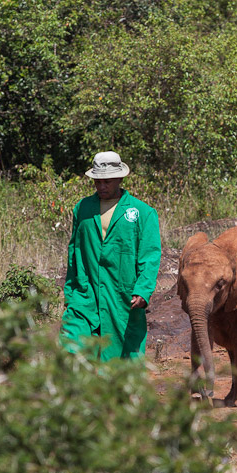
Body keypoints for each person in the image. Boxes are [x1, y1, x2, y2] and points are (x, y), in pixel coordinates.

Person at [60, 151, 162, 361]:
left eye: (107, 181)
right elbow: (74, 252)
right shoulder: (83, 208)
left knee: (122, 357)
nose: (101, 186)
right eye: (98, 181)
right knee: (72, 347)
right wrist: (71, 290)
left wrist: (143, 290)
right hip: (85, 293)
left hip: (122, 296)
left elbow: (150, 255)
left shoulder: (142, 213)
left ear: (120, 178)